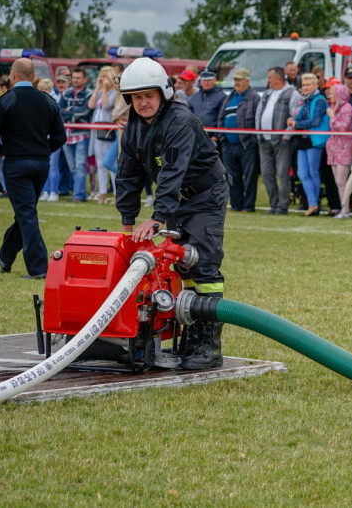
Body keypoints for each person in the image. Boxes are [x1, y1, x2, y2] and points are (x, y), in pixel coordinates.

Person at [115, 57, 228, 369]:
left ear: (163, 93)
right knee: (180, 265)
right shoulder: (134, 129)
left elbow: (172, 173)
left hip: (205, 195)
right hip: (177, 200)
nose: (143, 102)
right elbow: (127, 175)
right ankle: (190, 337)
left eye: (148, 95)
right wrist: (127, 222)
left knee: (203, 265)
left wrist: (157, 217)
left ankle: (209, 345)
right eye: (137, 97)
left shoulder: (180, 121)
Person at [0, 58, 67, 278]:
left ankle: (38, 269)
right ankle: (5, 257)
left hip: (16, 163)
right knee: (25, 212)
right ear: (34, 77)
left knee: (26, 213)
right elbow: (60, 137)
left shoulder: (6, 100)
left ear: (14, 75)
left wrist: (3, 150)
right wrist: (44, 150)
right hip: (41, 164)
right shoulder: (48, 100)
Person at [255, 67, 299, 215]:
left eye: (269, 77)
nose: (268, 80)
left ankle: (282, 206)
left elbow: (295, 115)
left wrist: (286, 136)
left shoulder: (292, 93)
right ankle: (273, 204)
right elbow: (259, 113)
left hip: (282, 141)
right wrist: (258, 133)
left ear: (278, 78)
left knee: (282, 174)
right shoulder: (267, 93)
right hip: (264, 140)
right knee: (266, 174)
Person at [217, 68, 260, 212]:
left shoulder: (254, 98)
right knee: (232, 177)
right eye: (235, 80)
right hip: (228, 145)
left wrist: (252, 140)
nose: (236, 82)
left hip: (246, 145)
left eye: (239, 80)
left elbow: (257, 120)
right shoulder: (230, 97)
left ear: (247, 81)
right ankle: (236, 205)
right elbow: (221, 118)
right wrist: (222, 138)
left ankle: (248, 206)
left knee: (249, 177)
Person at [288, 73, 330, 216]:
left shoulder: (319, 100)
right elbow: (299, 117)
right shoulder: (303, 101)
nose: (305, 87)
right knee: (302, 173)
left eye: (308, 85)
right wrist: (292, 120)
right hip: (303, 140)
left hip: (314, 140)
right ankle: (312, 203)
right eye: (303, 85)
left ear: (315, 85)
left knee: (313, 172)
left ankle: (314, 204)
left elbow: (315, 121)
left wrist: (297, 124)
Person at [58, 66, 93, 202]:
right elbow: (59, 110)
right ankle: (81, 193)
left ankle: (78, 195)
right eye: (74, 78)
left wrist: (69, 110)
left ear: (85, 79)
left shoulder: (89, 94)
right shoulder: (66, 93)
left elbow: (85, 111)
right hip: (67, 135)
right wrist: (73, 113)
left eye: (78, 78)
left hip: (82, 135)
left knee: (80, 166)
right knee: (73, 167)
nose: (75, 80)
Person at [87, 65, 119, 204]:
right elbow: (91, 105)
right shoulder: (100, 92)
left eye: (105, 76)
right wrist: (97, 89)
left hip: (108, 130)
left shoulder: (114, 92)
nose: (102, 79)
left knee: (110, 162)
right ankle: (102, 194)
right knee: (100, 163)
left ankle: (117, 194)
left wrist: (105, 90)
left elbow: (106, 106)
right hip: (97, 129)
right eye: (101, 76)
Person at [326, 80, 352, 218]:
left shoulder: (347, 108)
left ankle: (345, 209)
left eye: (332, 93)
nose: (330, 95)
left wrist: (332, 118)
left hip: (344, 147)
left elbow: (342, 128)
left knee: (342, 181)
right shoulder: (334, 107)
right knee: (338, 182)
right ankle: (342, 207)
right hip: (333, 148)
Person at [37, 78, 63, 202]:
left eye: (46, 89)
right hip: (41, 138)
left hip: (51, 138)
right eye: (41, 89)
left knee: (53, 166)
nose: (43, 91)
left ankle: (54, 192)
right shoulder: (37, 101)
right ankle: (46, 191)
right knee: (45, 165)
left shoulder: (55, 101)